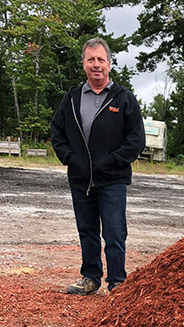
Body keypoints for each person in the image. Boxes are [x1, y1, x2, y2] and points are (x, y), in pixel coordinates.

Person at [51, 37, 145, 295]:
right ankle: (90, 277)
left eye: (100, 60)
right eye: (90, 60)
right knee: (87, 231)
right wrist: (71, 158)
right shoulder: (71, 99)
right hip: (81, 179)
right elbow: (56, 133)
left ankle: (117, 282)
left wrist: (111, 160)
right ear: (83, 64)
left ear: (109, 64)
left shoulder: (123, 98)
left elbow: (136, 140)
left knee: (114, 233)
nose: (96, 65)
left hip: (112, 179)